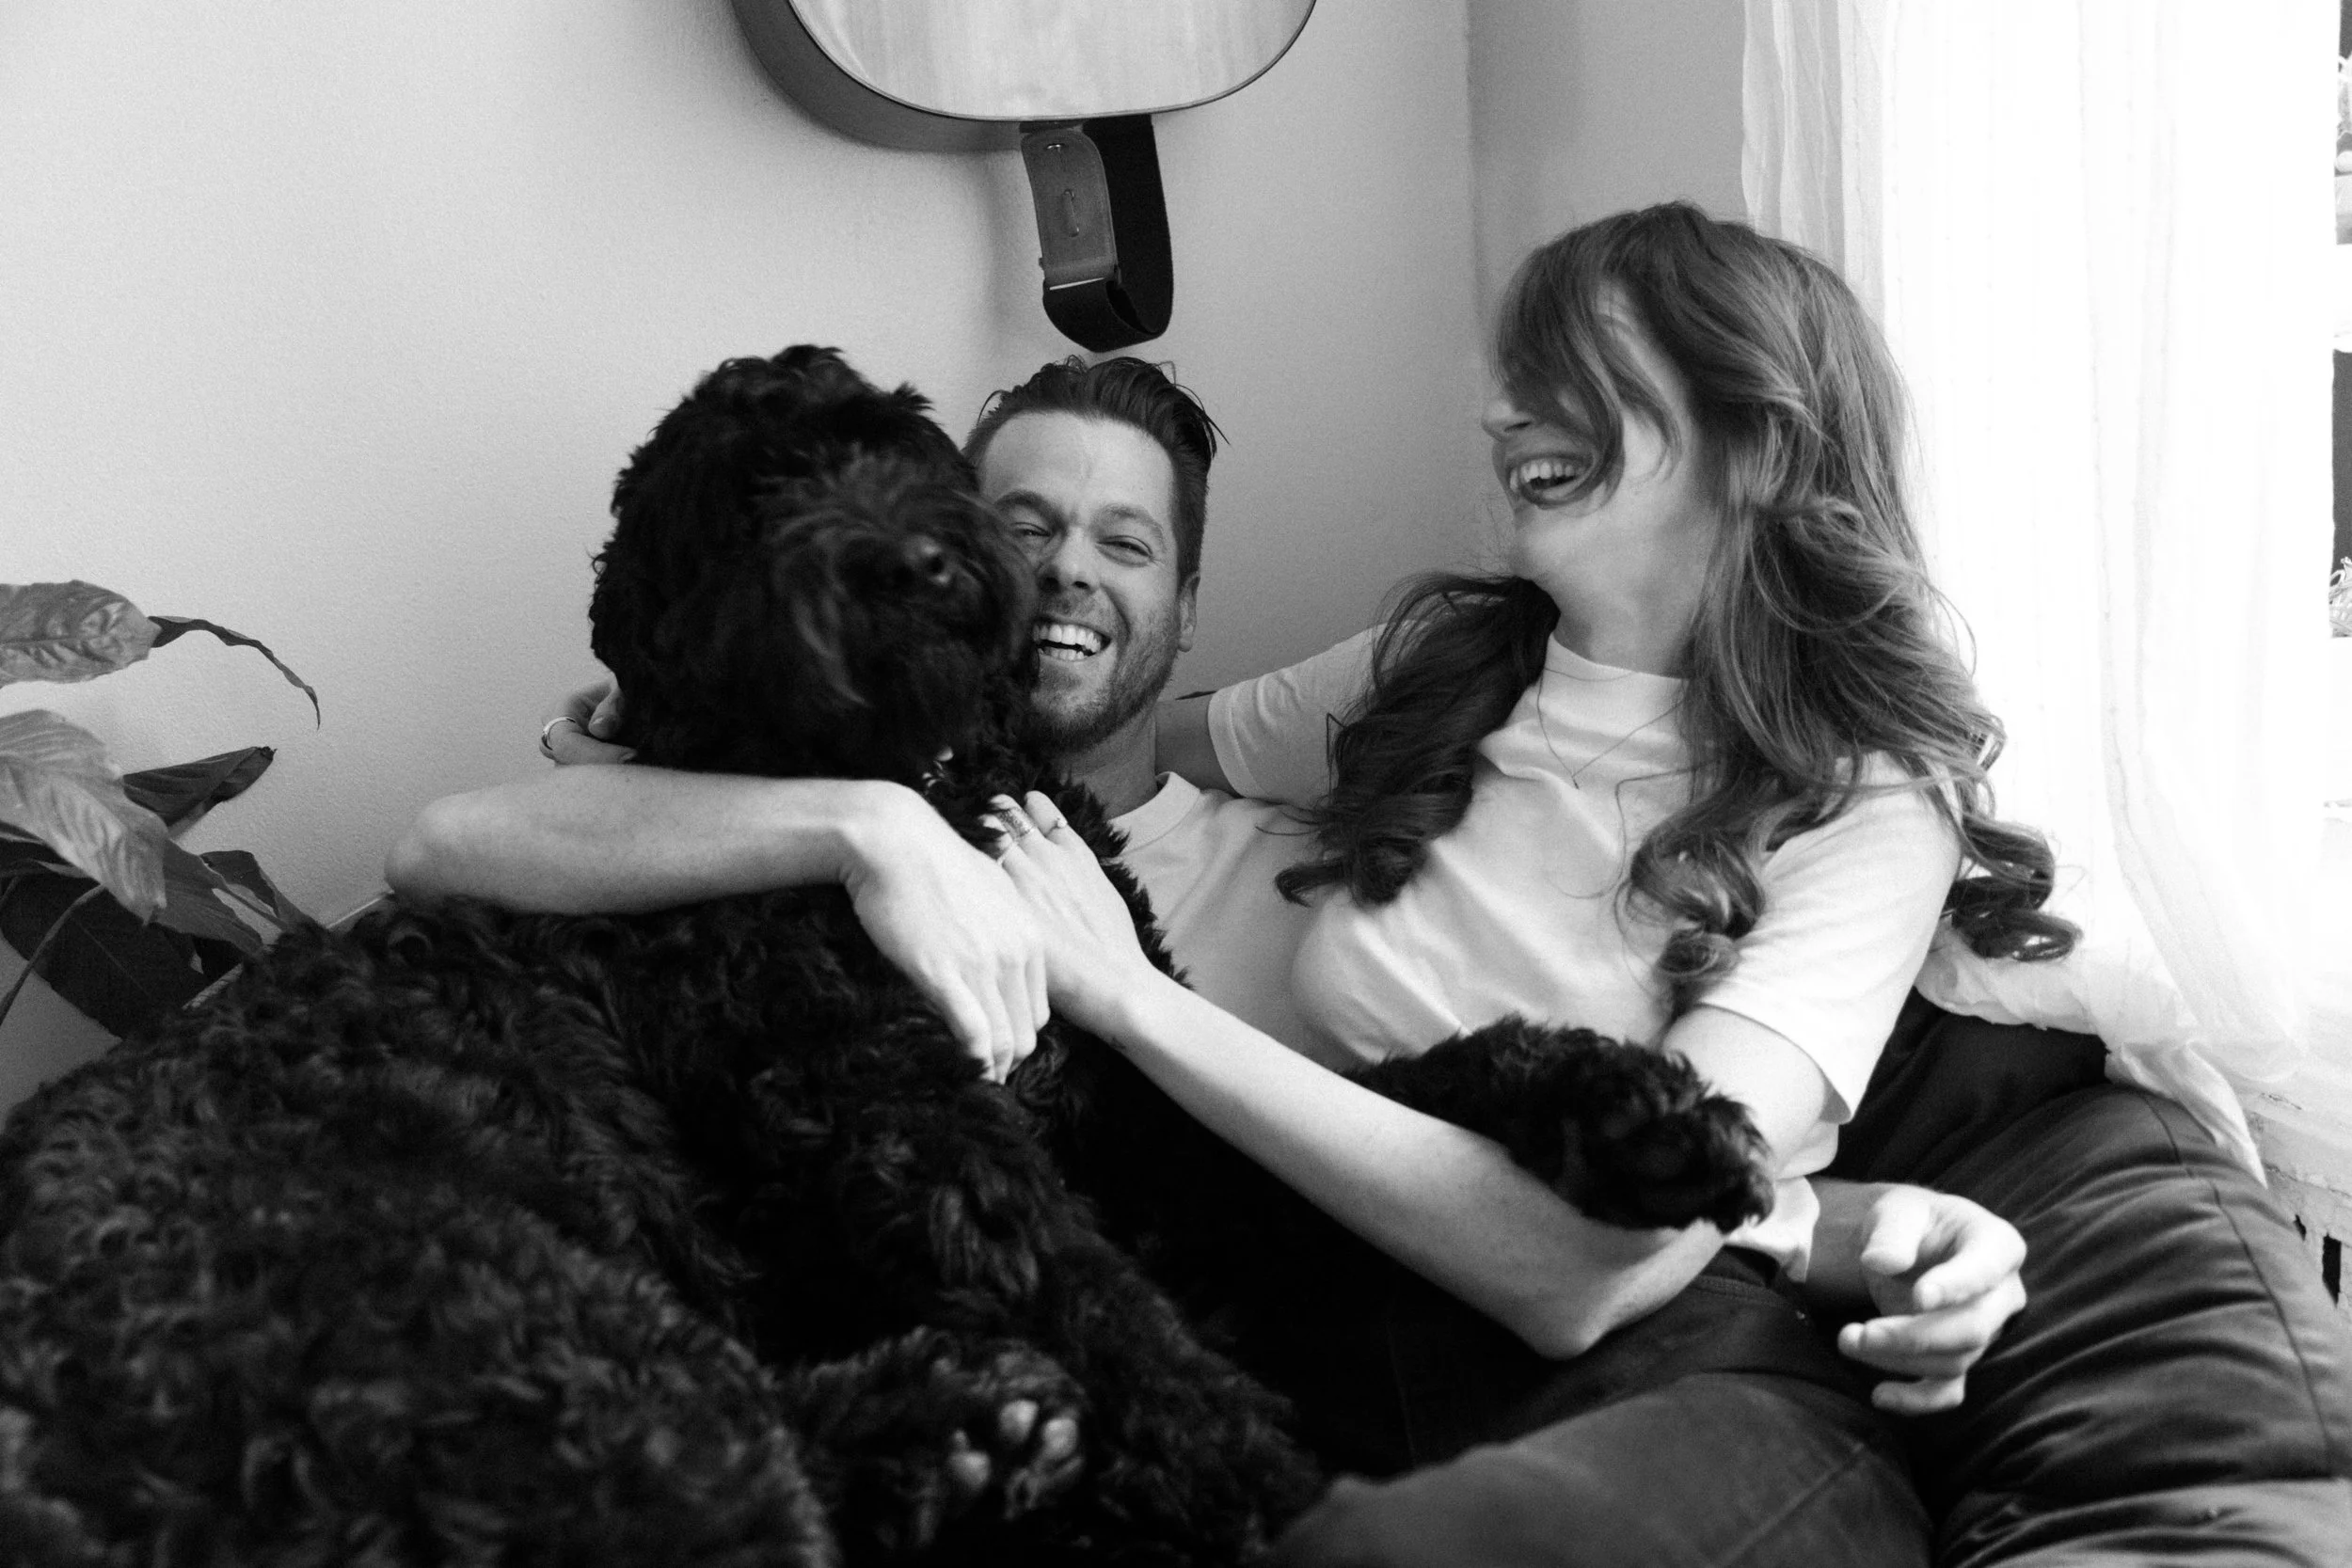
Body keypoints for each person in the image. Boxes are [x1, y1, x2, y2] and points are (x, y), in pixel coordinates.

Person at [391, 325, 2032, 1562]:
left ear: (1188, 603)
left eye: (1126, 543)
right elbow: (448, 844)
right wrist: (850, 817)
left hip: (1405, 1389)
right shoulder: (815, 832)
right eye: (1021, 525)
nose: (1065, 574)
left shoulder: (1318, 877)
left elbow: (1484, 1168)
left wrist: (1846, 1212)